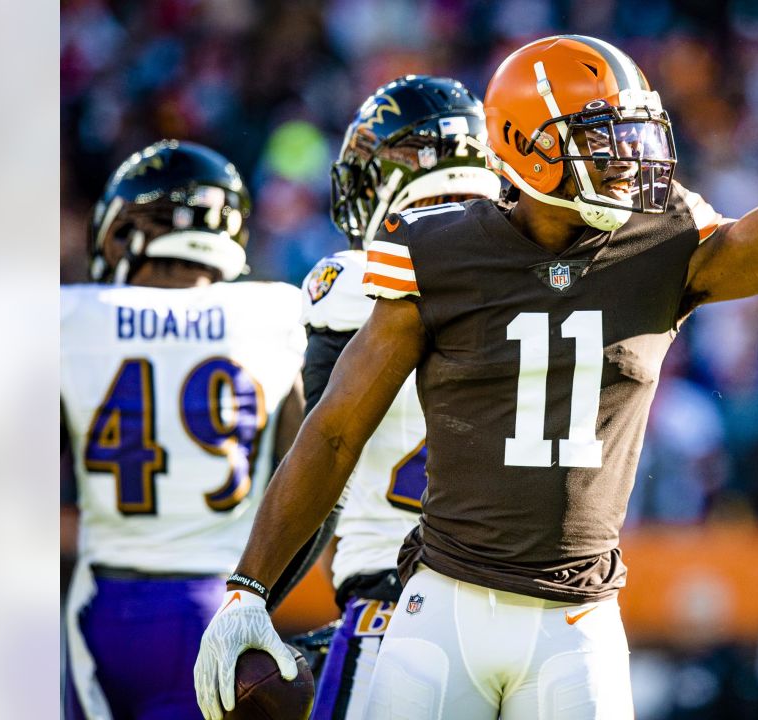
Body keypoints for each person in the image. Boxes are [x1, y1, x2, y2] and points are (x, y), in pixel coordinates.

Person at [196, 26, 758, 720]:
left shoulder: (663, 245)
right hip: (442, 606)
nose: (630, 157)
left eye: (631, 133)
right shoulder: (436, 254)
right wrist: (247, 588)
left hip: (576, 620)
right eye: (601, 136)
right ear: (525, 144)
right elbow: (338, 426)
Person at [61, 140, 306, 718]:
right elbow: (310, 476)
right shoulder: (277, 313)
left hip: (107, 610)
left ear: (125, 232)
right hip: (226, 603)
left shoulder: (69, 317)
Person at [286, 75, 503, 720]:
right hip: (526, 604)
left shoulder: (355, 281)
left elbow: (321, 466)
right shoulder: (544, 279)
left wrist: (254, 596)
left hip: (395, 603)